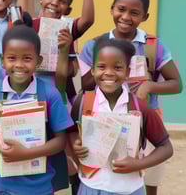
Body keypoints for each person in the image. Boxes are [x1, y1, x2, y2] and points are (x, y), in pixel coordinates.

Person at [78, 0, 182, 195]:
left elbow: (176, 84)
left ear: (145, 16)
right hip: (103, 119)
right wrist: (104, 64)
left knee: (146, 177)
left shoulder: (152, 45)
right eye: (121, 9)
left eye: (134, 13)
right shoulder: (95, 45)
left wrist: (149, 85)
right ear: (111, 9)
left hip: (144, 120)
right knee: (101, 171)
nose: (125, 17)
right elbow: (86, 86)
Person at [71, 37, 173, 195]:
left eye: (117, 67)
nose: (109, 73)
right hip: (90, 186)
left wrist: (139, 164)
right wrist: (76, 144)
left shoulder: (140, 107)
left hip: (129, 189)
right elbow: (71, 132)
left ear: (128, 72)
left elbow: (166, 147)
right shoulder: (83, 102)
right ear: (92, 70)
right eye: (102, 66)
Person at [0, 23, 70, 195]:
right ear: (2, 60)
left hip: (40, 186)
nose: (19, 65)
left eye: (27, 58)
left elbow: (61, 141)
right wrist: (0, 147)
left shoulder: (49, 94)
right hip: (3, 185)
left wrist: (27, 153)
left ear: (38, 61)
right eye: (12, 58)